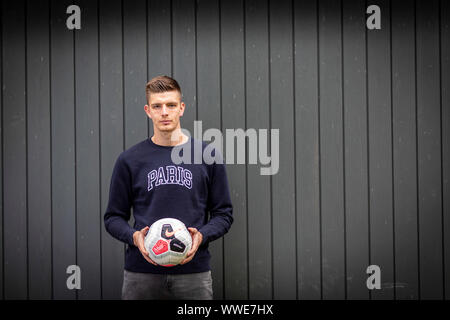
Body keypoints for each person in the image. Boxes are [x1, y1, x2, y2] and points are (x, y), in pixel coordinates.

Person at [104, 75, 233, 300]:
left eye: (171, 105)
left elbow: (224, 214)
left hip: (193, 274)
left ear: (181, 108)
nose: (164, 112)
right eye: (157, 106)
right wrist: (134, 237)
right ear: (148, 110)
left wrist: (201, 236)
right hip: (141, 274)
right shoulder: (129, 160)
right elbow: (113, 217)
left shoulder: (207, 156)